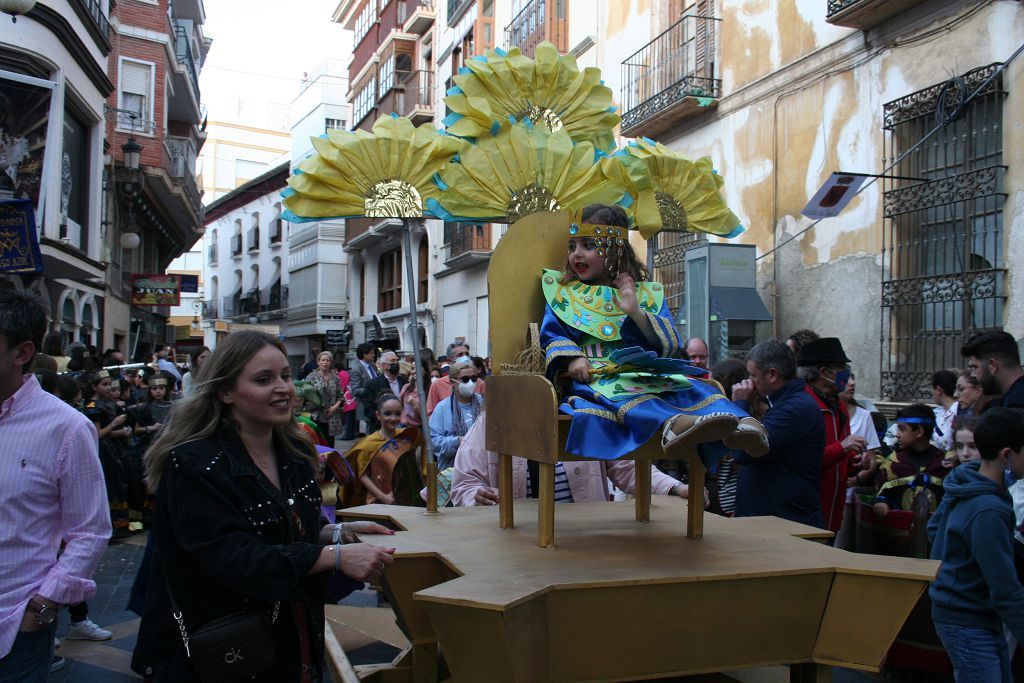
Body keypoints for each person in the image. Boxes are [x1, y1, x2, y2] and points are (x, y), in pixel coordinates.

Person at [132, 331, 397, 681]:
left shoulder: (296, 456)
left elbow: (288, 526)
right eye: (263, 379)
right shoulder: (195, 464)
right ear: (225, 391)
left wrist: (339, 532)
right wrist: (335, 556)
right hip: (218, 650)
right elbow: (236, 557)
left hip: (290, 641)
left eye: (285, 376)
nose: (283, 388)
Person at [539, 205, 767, 463]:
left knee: (687, 385)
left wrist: (635, 311)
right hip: (595, 374)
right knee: (626, 389)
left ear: (614, 250)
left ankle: (742, 423)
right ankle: (675, 424)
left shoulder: (646, 293)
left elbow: (668, 346)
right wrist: (573, 359)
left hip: (642, 369)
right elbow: (552, 334)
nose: (576, 255)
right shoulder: (562, 292)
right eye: (572, 247)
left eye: (588, 245)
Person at [0, 290, 111, 680]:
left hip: (15, 628)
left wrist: (44, 606)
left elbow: (90, 531)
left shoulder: (66, 428)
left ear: (21, 351)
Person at [928, 407, 1024, 683]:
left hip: (967, 612)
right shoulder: (988, 509)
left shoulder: (966, 479)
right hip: (967, 617)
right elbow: (1004, 587)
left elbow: (936, 529)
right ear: (1006, 454)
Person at [451, 413, 692, 506]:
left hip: (584, 540)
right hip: (514, 545)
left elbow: (627, 467)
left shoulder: (588, 415)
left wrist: (674, 488)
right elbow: (464, 484)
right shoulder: (492, 420)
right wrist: (477, 495)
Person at [731, 339, 825, 528]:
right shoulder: (784, 404)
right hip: (773, 519)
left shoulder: (794, 410)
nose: (750, 383)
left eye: (753, 375)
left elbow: (745, 450)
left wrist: (739, 404)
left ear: (772, 375)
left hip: (786, 523)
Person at [797, 338, 867, 534]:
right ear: (823, 373)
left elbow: (841, 456)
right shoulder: (803, 406)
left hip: (833, 511)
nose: (846, 374)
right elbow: (804, 461)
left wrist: (856, 461)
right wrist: (843, 447)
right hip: (807, 512)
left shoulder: (839, 405)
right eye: (841, 368)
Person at [871, 403, 947, 521]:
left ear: (919, 432)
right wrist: (881, 502)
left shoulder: (943, 463)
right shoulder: (894, 463)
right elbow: (882, 493)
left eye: (902, 429)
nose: (897, 434)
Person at [345, 394, 423, 507]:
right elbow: (361, 473)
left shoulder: (407, 439)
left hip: (406, 503)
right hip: (378, 505)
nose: (393, 418)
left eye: (397, 414)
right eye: (387, 413)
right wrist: (384, 497)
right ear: (378, 415)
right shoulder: (368, 443)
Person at [429, 356, 484, 471]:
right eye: (464, 379)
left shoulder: (483, 403)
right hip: (452, 470)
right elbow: (434, 442)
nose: (470, 383)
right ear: (452, 382)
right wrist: (458, 441)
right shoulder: (442, 408)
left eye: (473, 378)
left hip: (481, 469)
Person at [962, 330, 1024, 408]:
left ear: (993, 365)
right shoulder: (1006, 401)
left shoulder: (1015, 405)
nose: (972, 374)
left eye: (975, 367)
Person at [426, 341, 485, 416]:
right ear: (450, 361)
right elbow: (430, 413)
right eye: (460, 355)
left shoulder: (479, 383)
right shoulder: (437, 385)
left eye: (467, 354)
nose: (465, 357)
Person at [305, 350, 344, 444]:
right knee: (318, 443)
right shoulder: (311, 377)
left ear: (331, 362)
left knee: (330, 444)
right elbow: (306, 395)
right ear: (318, 362)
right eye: (323, 360)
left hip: (331, 416)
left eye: (328, 360)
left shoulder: (335, 378)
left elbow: (341, 396)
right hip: (316, 415)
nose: (325, 362)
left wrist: (335, 407)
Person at [349, 342, 379, 436]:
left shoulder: (373, 366)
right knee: (370, 434)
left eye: (373, 353)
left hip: (377, 404)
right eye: (371, 353)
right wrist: (370, 391)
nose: (373, 355)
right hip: (366, 405)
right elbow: (355, 390)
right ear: (364, 354)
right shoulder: (356, 369)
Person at [931, 369, 959, 452]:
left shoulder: (959, 411)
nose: (932, 394)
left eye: (932, 390)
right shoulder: (938, 413)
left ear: (938, 390)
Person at [336, 360, 358, 441]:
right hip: (351, 396)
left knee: (349, 417)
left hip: (348, 397)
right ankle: (351, 434)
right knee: (351, 417)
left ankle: (348, 435)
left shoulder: (341, 374)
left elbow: (342, 385)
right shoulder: (345, 372)